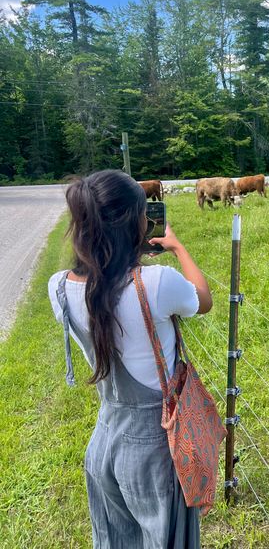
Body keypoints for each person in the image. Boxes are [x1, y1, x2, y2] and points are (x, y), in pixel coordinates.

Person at [48, 169, 212, 548]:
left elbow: (103, 290)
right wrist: (177, 247)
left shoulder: (57, 287)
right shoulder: (155, 284)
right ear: (134, 223)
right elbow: (203, 299)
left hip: (105, 440)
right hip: (156, 447)